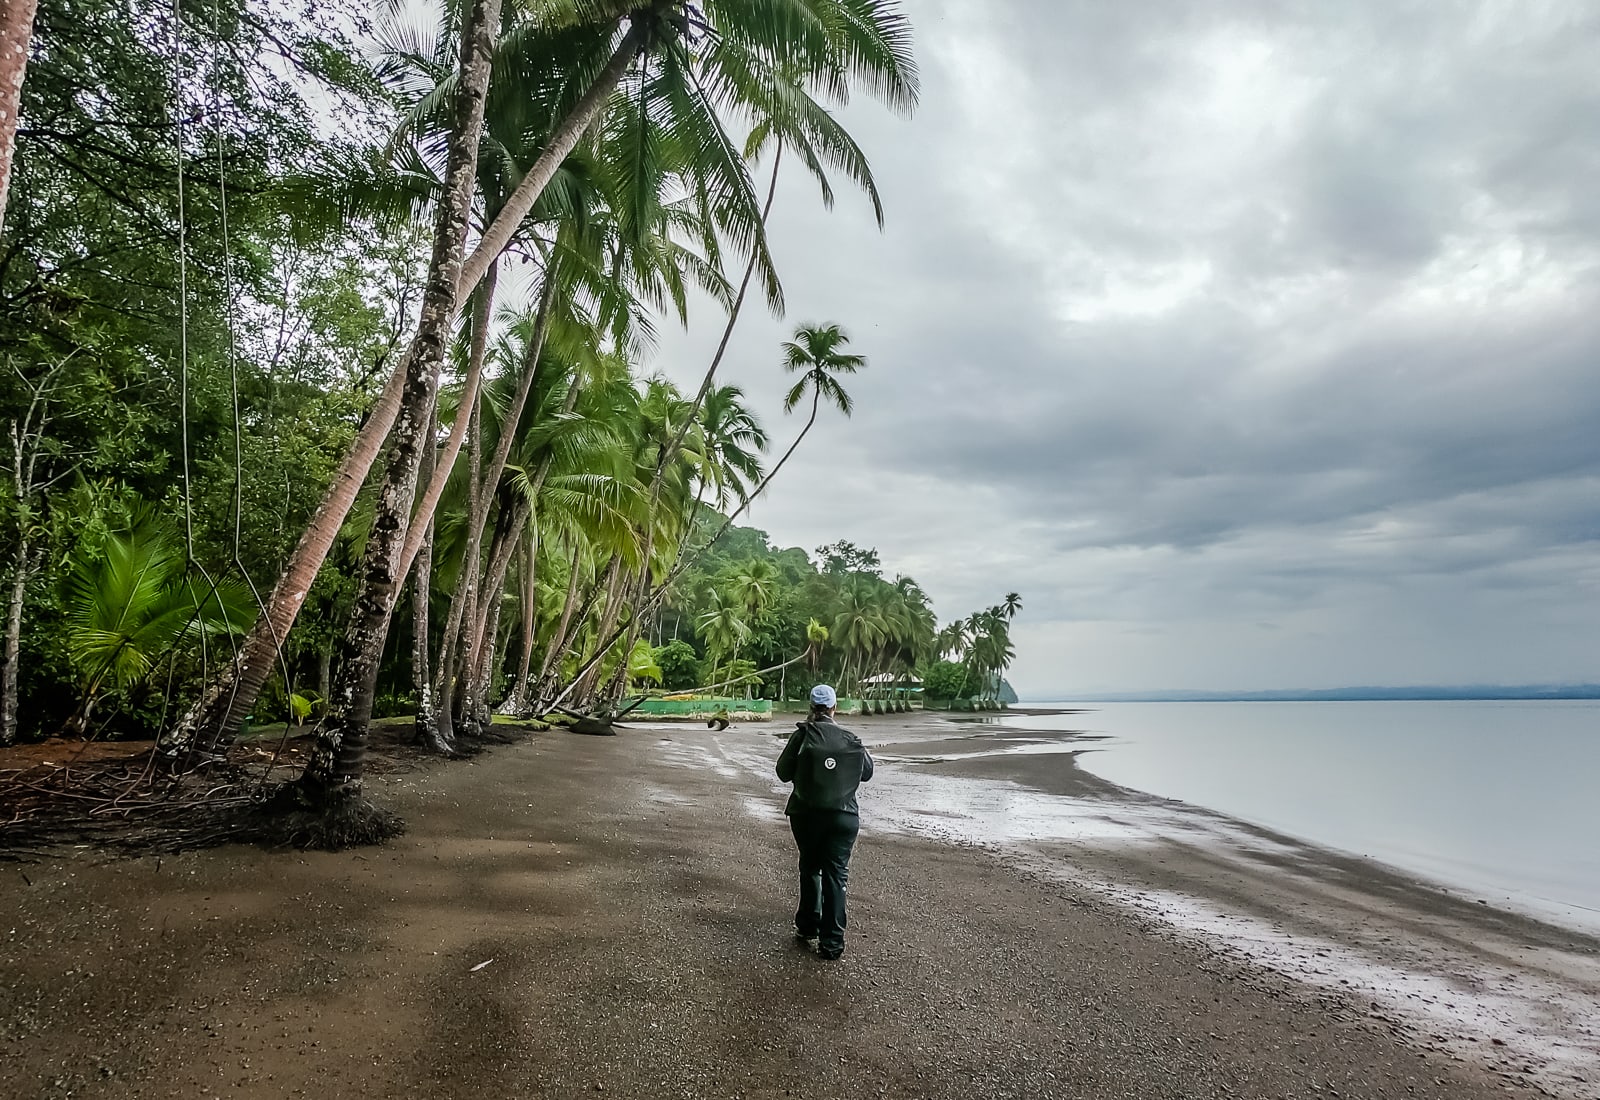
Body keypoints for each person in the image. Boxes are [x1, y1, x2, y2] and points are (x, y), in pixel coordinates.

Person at [775, 684, 874, 960]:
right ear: (834, 707)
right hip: (843, 817)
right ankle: (832, 944)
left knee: (810, 867)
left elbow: (783, 772)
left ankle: (808, 927)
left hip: (806, 815)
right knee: (836, 874)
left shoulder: (802, 735)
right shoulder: (850, 737)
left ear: (810, 708)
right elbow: (866, 773)